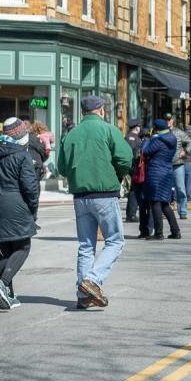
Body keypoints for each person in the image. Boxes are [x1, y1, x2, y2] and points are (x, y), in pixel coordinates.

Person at [58, 95, 133, 309]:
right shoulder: (108, 130)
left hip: (80, 196)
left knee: (85, 245)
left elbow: (62, 168)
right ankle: (92, 280)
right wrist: (116, 176)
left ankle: (83, 296)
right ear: (101, 111)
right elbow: (125, 158)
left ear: (82, 112)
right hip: (104, 193)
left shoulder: (71, 134)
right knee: (115, 241)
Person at [0, 118, 40, 310]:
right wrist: (32, 211)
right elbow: (31, 189)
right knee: (23, 246)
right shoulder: (22, 155)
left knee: (3, 249)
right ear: (21, 135)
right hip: (15, 205)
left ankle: (8, 296)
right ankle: (3, 283)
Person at [141, 119, 181, 239]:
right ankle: (175, 231)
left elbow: (145, 151)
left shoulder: (157, 140)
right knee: (164, 203)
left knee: (155, 202)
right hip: (167, 172)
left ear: (156, 129)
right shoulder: (172, 139)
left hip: (155, 173)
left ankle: (158, 233)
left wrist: (147, 139)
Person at [169, 117, 191, 221]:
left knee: (180, 189)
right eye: (166, 120)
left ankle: (182, 210)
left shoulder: (179, 132)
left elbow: (190, 142)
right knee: (165, 189)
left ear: (173, 121)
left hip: (178, 163)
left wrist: (185, 151)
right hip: (164, 164)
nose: (167, 121)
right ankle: (165, 210)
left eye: (169, 119)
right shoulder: (159, 132)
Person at [124, 121, 142, 222]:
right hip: (133, 166)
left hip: (132, 166)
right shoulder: (132, 138)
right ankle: (131, 214)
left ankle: (131, 214)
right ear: (136, 128)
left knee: (134, 190)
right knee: (134, 191)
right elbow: (133, 153)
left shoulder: (131, 137)